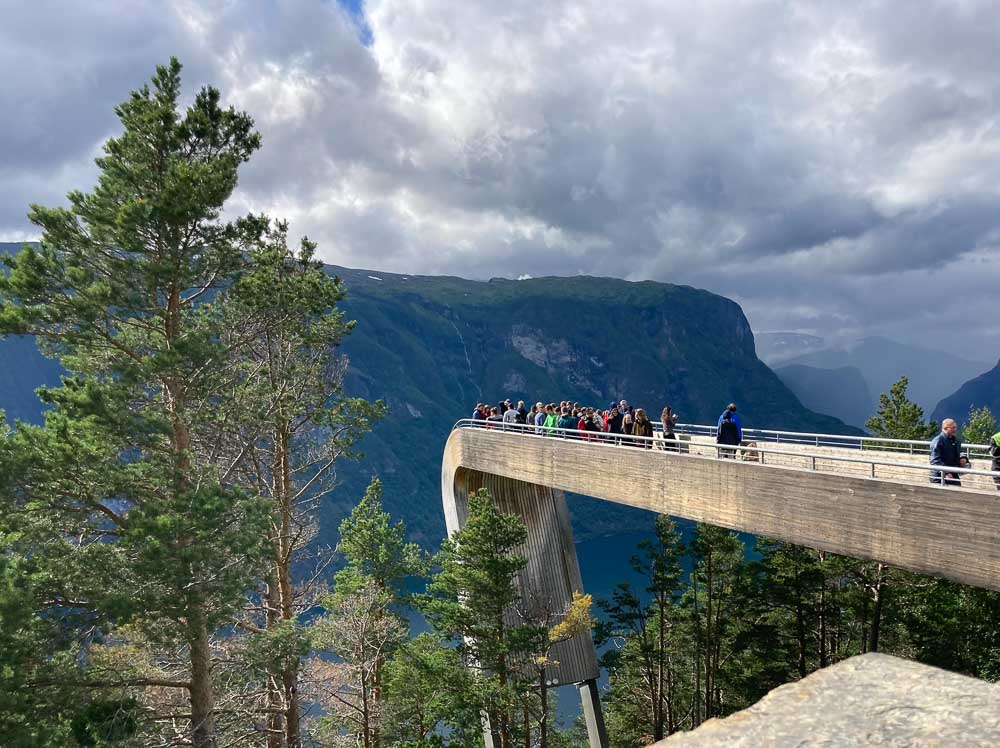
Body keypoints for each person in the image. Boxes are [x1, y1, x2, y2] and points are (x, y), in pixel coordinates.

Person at [929, 418, 962, 486]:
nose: (955, 430)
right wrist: (946, 472)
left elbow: (958, 454)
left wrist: (963, 459)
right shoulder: (938, 441)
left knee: (958, 493)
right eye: (953, 428)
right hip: (938, 476)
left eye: (955, 427)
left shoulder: (955, 441)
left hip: (952, 473)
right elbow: (935, 460)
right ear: (945, 428)